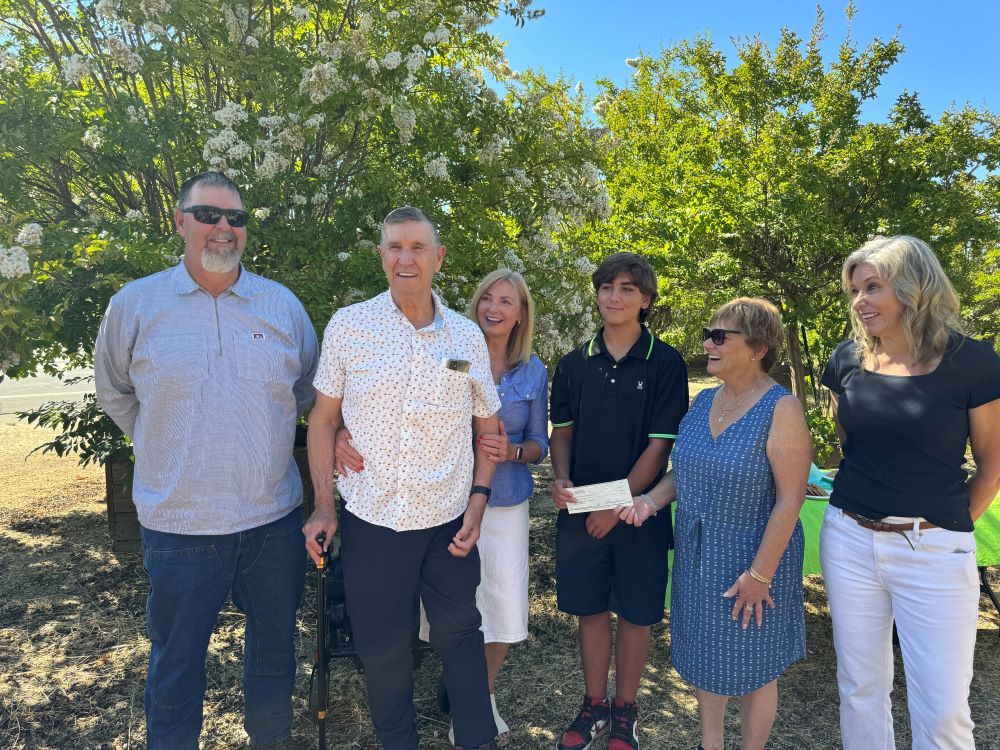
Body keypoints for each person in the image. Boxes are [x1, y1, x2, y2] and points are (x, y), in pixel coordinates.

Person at [94, 171, 319, 750]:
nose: (224, 229)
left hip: (272, 525)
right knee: (175, 673)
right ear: (179, 221)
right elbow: (116, 393)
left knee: (273, 668)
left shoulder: (282, 306)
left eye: (236, 219)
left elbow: (307, 398)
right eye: (209, 215)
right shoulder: (136, 305)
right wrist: (165, 446)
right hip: (178, 529)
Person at [303, 207, 502, 750]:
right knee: (383, 647)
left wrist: (479, 503)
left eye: (418, 248)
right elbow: (322, 420)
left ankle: (478, 740)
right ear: (382, 256)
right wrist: (324, 506)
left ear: (438, 259)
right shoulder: (349, 326)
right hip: (374, 520)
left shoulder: (465, 338)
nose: (405, 258)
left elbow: (489, 429)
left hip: (448, 522)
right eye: (395, 247)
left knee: (460, 636)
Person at [335, 268, 548, 746]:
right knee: (423, 628)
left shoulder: (517, 364)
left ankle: (475, 717)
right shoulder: (439, 346)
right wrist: (338, 434)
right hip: (414, 506)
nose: (494, 307)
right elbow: (382, 406)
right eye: (487, 297)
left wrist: (501, 464)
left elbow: (526, 439)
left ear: (521, 315)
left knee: (483, 615)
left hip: (489, 500)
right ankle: (432, 714)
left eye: (506, 301)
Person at [819, 235, 1000, 750]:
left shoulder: (974, 363)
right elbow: (851, 444)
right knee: (860, 690)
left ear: (913, 286)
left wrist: (941, 528)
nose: (860, 301)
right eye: (855, 289)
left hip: (935, 551)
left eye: (873, 287)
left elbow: (992, 466)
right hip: (849, 540)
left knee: (943, 709)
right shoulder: (847, 358)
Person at [619, 298, 811, 750]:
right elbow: (682, 474)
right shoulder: (704, 399)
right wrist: (648, 501)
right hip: (698, 559)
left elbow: (790, 500)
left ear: (759, 347)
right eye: (709, 333)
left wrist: (760, 576)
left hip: (754, 562)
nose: (708, 342)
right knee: (708, 660)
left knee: (755, 669)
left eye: (720, 336)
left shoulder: (781, 409)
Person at [550, 252, 689, 750]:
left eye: (628, 288)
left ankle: (625, 711)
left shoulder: (666, 363)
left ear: (646, 300)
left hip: (638, 512)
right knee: (590, 610)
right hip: (581, 509)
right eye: (607, 287)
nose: (615, 296)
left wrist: (615, 507)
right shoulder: (572, 362)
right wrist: (561, 477)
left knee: (635, 614)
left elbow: (659, 446)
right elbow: (561, 432)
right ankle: (593, 705)